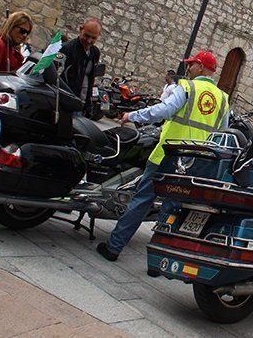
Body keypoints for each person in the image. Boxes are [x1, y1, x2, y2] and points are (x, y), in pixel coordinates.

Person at [96, 51, 229, 261]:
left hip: (168, 156)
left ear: (201, 67)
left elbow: (163, 111)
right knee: (172, 209)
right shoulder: (223, 99)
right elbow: (222, 134)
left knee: (142, 201)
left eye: (192, 64)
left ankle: (113, 247)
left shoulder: (188, 87)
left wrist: (132, 115)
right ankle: (159, 260)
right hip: (195, 164)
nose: (189, 68)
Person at [61, 17, 102, 116]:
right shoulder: (68, 49)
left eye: (93, 38)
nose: (89, 40)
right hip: (66, 103)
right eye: (86, 36)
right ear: (80, 30)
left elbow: (90, 79)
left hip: (82, 104)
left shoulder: (94, 53)